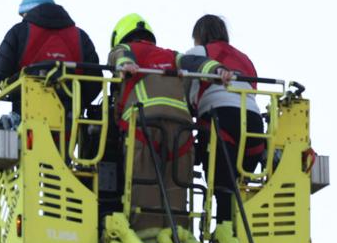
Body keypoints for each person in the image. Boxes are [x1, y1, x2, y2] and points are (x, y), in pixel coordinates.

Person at [107, 13, 231, 230]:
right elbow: (194, 63)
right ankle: (179, 240)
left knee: (145, 193)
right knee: (177, 192)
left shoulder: (127, 49)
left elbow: (120, 55)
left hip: (144, 125)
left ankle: (148, 240)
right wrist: (216, 69)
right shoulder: (171, 55)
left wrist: (126, 64)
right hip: (181, 128)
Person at [184, 14, 266, 224]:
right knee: (237, 186)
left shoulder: (200, 53)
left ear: (199, 36)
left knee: (221, 186)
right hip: (254, 124)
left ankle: (223, 234)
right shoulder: (245, 59)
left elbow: (186, 96)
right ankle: (234, 233)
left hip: (221, 118)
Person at [0, 0, 102, 105]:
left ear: (28, 11)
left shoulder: (19, 31)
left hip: (27, 113)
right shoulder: (80, 36)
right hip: (72, 115)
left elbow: (0, 73)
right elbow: (94, 81)